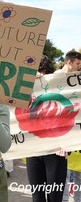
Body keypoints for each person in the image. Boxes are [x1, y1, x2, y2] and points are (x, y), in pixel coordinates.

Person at [25, 54, 68, 202]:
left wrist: (67, 144)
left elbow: (70, 117)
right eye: (37, 71)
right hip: (33, 151)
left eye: (43, 71)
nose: (40, 75)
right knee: (37, 197)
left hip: (56, 151)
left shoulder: (60, 89)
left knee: (54, 197)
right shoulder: (25, 90)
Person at [57, 51, 81, 202]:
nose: (80, 68)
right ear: (69, 62)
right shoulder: (53, 78)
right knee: (63, 182)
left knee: (76, 182)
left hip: (75, 135)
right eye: (78, 64)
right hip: (60, 139)